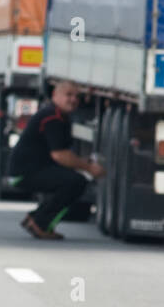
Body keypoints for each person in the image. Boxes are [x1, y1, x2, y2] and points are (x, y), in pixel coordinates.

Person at [7, 80, 106, 240]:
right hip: (24, 173)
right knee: (75, 182)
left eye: (76, 96)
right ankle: (41, 223)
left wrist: (81, 162)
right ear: (55, 95)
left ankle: (35, 218)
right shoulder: (52, 117)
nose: (73, 99)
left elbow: (62, 154)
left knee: (70, 179)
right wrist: (89, 168)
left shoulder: (59, 115)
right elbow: (59, 155)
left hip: (33, 169)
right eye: (68, 95)